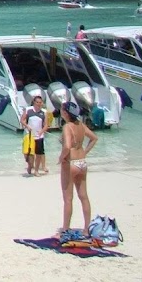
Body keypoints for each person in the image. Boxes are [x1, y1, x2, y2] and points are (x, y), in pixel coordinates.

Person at [58, 101, 99, 235]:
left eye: (62, 110)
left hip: (71, 164)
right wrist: (85, 152)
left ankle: (65, 229)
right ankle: (87, 229)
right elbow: (94, 138)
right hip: (82, 162)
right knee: (84, 196)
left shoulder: (67, 127)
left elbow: (67, 146)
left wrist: (61, 157)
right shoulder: (80, 125)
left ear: (65, 113)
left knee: (68, 198)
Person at [21, 95, 49, 176]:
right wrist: (27, 126)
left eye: (40, 102)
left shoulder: (44, 112)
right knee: (27, 153)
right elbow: (22, 120)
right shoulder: (28, 110)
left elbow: (46, 125)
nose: (38, 104)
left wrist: (42, 131)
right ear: (34, 102)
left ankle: (36, 170)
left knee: (39, 154)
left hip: (39, 136)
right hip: (29, 135)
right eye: (37, 102)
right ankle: (30, 165)